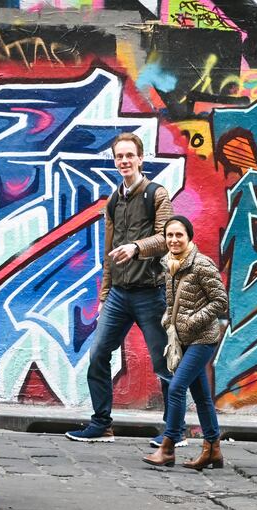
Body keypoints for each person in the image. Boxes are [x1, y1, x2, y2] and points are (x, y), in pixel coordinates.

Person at [66, 133, 186, 445]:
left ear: (141, 159)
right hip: (119, 294)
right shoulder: (114, 201)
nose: (124, 162)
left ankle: (175, 431)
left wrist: (137, 247)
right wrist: (105, 295)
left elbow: (167, 239)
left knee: (164, 362)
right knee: (98, 354)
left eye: (130, 156)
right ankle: (101, 424)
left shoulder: (156, 195)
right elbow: (109, 253)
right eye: (119, 157)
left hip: (151, 293)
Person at [143, 215, 228, 470]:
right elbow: (172, 302)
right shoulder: (169, 264)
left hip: (203, 338)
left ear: (189, 237)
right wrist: (169, 319)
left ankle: (168, 447)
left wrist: (191, 321)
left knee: (177, 388)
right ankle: (213, 449)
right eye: (169, 235)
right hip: (184, 340)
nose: (174, 240)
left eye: (179, 235)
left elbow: (220, 301)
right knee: (202, 397)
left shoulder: (202, 264)